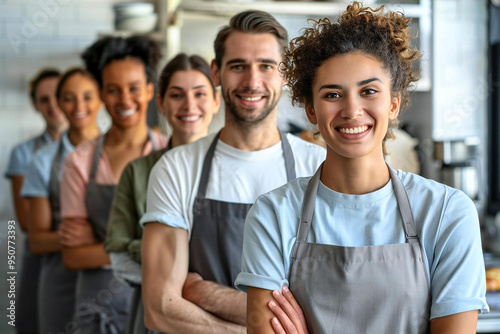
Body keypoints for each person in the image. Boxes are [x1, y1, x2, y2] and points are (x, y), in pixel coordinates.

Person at [235, 3, 489, 333]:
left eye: (369, 91)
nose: (352, 110)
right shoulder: (273, 214)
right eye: (332, 95)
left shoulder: (447, 213)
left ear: (394, 103)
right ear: (311, 110)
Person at [140, 10, 326, 333]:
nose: (252, 82)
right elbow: (161, 309)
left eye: (266, 66)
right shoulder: (176, 169)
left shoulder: (320, 168)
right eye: (238, 66)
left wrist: (205, 293)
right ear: (216, 72)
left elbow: (324, 305)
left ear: (285, 74)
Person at [104, 53, 220, 334]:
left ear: (216, 102)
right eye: (177, 95)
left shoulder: (237, 168)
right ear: (161, 104)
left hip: (223, 310)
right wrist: (184, 287)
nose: (189, 105)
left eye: (200, 94)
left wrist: (148, 251)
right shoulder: (138, 171)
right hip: (156, 316)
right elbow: (118, 258)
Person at [59, 36, 168, 334]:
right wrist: (149, 248)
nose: (124, 99)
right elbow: (74, 255)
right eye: (112, 90)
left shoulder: (172, 154)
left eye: (134, 88)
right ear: (102, 95)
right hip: (97, 301)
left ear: (149, 90)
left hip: (162, 300)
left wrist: (104, 247)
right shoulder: (78, 162)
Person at [21, 68, 102, 334]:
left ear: (100, 99)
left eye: (88, 96)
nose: (79, 106)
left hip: (108, 278)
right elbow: (36, 239)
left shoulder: (119, 151)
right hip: (59, 279)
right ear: (59, 102)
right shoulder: (43, 160)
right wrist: (79, 237)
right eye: (69, 97)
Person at [4, 68, 68, 334]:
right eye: (44, 100)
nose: (52, 105)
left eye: (57, 96)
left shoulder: (99, 147)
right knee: (35, 323)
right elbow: (27, 221)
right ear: (35, 105)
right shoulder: (24, 153)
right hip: (42, 257)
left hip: (86, 254)